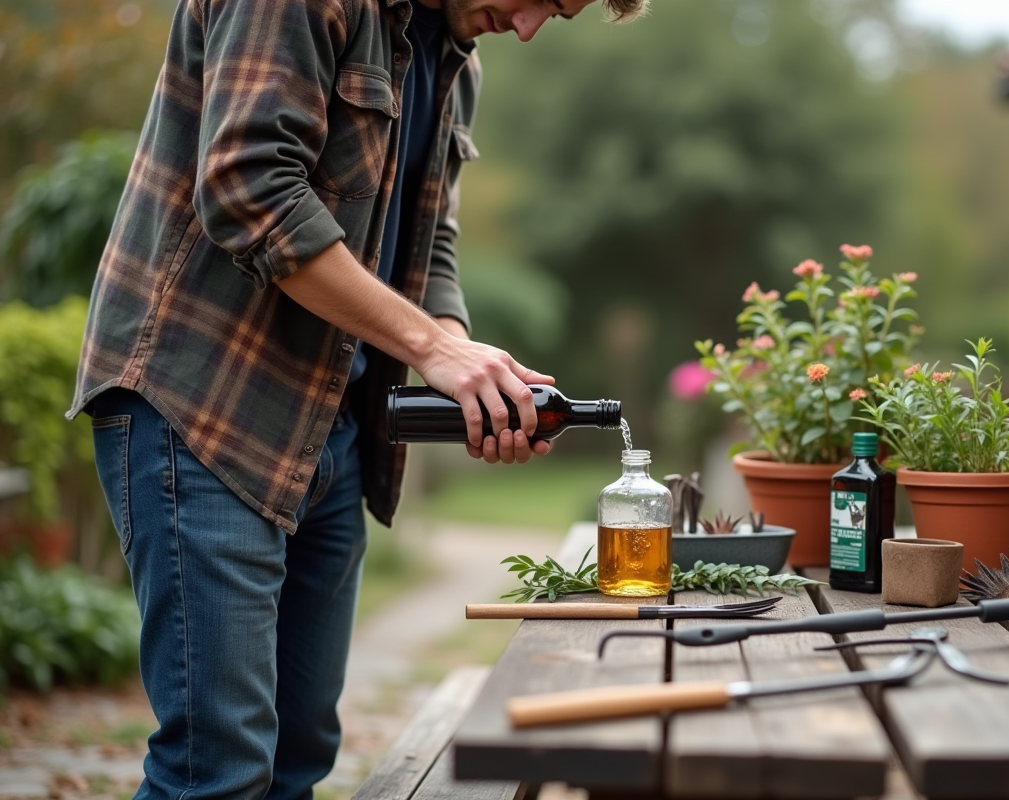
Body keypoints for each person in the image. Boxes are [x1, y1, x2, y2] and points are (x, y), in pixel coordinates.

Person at [68, 0, 646, 798]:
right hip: (203, 407)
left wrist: (471, 373)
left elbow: (429, 241)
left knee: (299, 757)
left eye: (560, 16)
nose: (528, 29)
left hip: (330, 425)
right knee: (218, 772)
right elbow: (249, 190)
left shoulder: (453, 60)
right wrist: (434, 348)